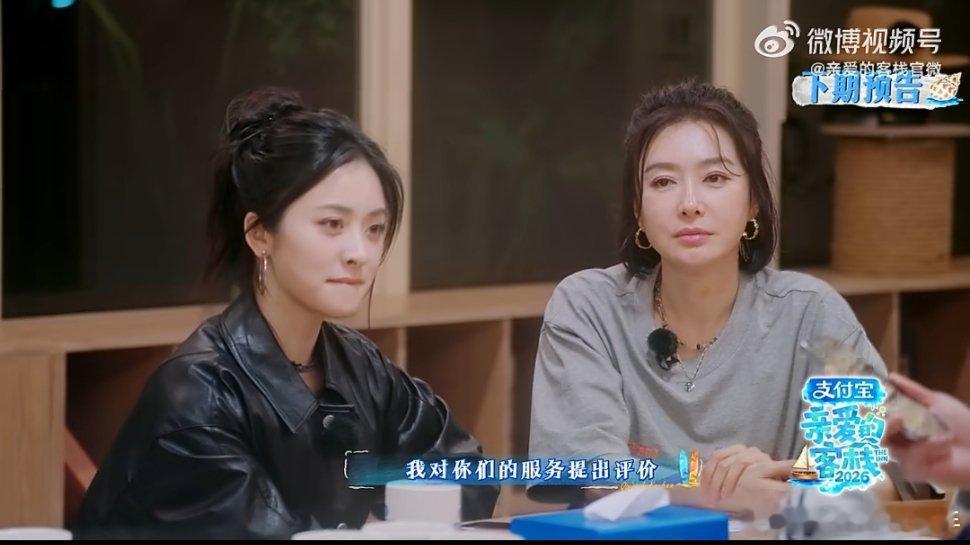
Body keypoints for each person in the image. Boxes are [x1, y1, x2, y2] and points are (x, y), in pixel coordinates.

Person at [74, 88, 498, 539]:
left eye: (375, 228)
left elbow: (469, 475)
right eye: (332, 224)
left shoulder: (359, 365)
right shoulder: (199, 395)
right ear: (260, 234)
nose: (360, 253)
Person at [528, 80, 888, 518]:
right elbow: (593, 477)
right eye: (663, 181)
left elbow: (883, 479)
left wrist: (791, 479)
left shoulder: (811, 314)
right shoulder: (588, 307)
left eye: (715, 178)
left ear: (754, 201)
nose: (690, 204)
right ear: (638, 209)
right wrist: (718, 491)